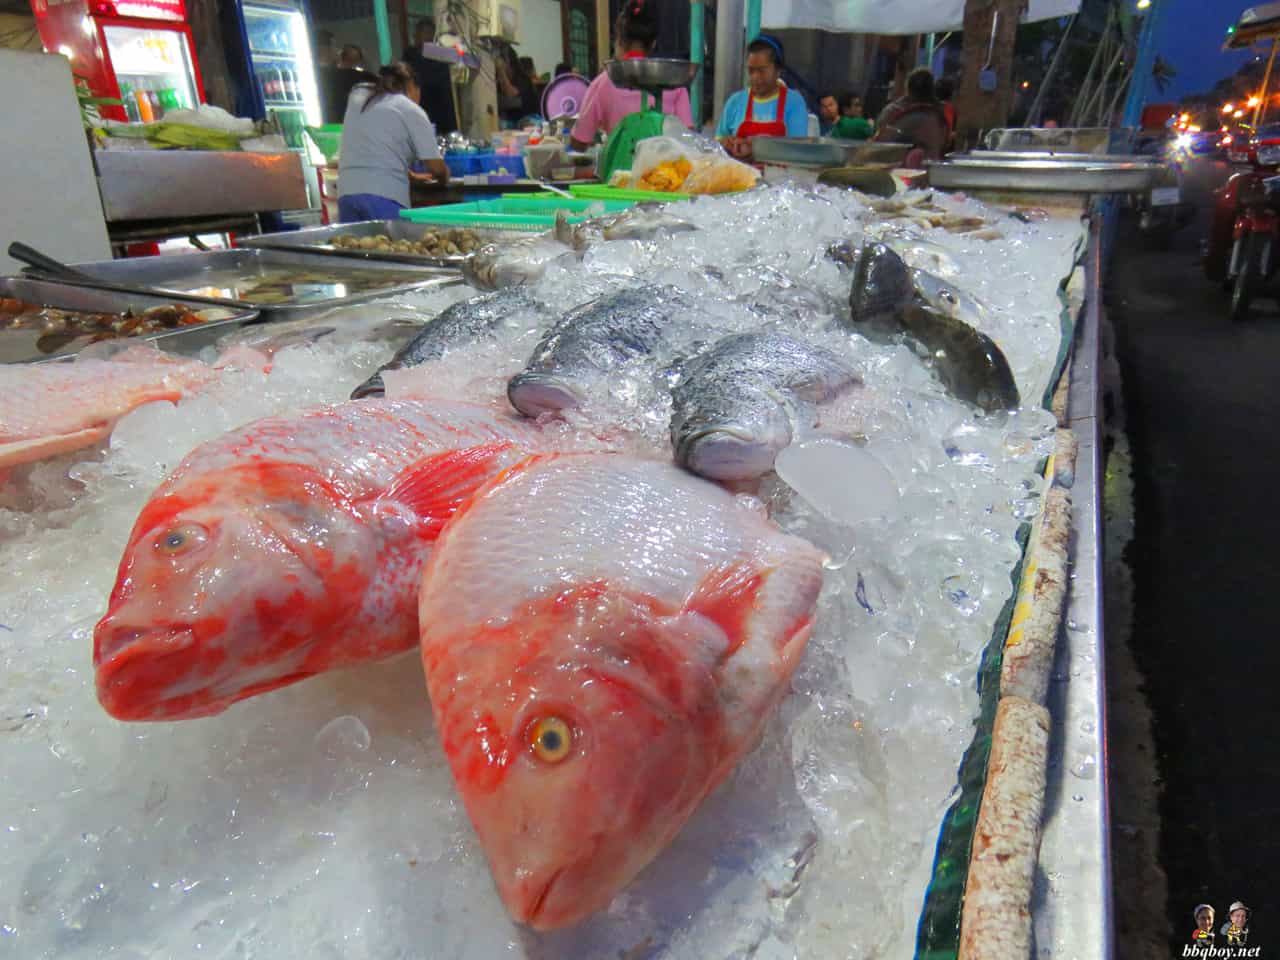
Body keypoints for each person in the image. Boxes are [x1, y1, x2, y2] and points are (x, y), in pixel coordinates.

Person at [570, 1, 692, 151]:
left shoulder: (602, 83)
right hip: (665, 172)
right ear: (653, 44)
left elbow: (579, 142)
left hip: (619, 173)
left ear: (619, 40)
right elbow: (687, 138)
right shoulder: (674, 81)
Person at [337, 62, 449, 222]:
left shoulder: (358, 97)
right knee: (392, 246)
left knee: (354, 246)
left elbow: (374, 143)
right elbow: (436, 167)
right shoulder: (409, 109)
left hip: (347, 194)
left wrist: (409, 174)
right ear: (412, 86)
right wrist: (445, 177)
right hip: (385, 197)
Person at [716, 35, 810, 161]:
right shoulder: (735, 101)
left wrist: (756, 150)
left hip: (779, 178)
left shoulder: (794, 103)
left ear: (778, 70)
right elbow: (716, 146)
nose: (755, 77)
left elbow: (797, 150)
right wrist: (725, 144)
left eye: (761, 71)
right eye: (751, 70)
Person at [872, 67, 949, 164]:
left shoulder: (891, 111)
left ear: (907, 87)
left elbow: (879, 143)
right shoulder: (939, 115)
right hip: (930, 168)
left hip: (893, 168)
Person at [402, 17, 458, 135]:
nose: (415, 36)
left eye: (420, 33)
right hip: (419, 108)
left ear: (431, 35)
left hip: (441, 109)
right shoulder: (410, 54)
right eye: (416, 33)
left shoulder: (440, 53)